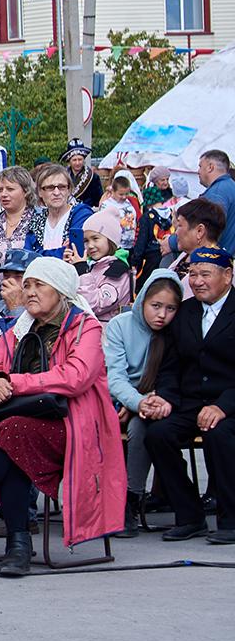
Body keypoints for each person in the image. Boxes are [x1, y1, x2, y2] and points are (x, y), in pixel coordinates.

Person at [0, 256, 127, 576]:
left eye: (38, 285)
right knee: (13, 439)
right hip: (24, 425)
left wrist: (12, 383)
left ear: (60, 291)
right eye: (27, 284)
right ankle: (16, 544)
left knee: (11, 433)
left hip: (74, 425)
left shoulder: (85, 327)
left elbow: (74, 377)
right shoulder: (20, 328)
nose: (29, 292)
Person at [142, 246, 235, 543]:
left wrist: (222, 406)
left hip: (228, 405)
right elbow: (171, 366)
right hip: (190, 402)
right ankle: (189, 514)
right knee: (157, 434)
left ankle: (230, 518)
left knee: (219, 434)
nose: (197, 281)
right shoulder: (187, 312)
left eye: (205, 274)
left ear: (227, 275)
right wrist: (165, 398)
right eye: (192, 274)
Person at [103, 269, 183, 536]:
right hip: (118, 399)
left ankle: (131, 499)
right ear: (142, 301)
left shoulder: (176, 332)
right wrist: (136, 401)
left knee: (141, 427)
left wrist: (147, 402)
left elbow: (176, 375)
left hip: (155, 403)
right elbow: (115, 377)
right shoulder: (120, 326)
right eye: (156, 306)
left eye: (171, 308)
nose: (162, 315)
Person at [0, 166, 39, 283]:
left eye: (10, 189)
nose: (3, 194)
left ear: (26, 191)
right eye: (0, 190)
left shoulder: (40, 220)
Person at [128, 167, 185, 281]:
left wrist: (135, 261)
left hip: (150, 258)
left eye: (167, 179)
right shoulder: (172, 214)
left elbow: (142, 240)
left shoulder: (147, 217)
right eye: (162, 180)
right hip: (170, 255)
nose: (165, 182)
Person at [29, 162, 93, 260]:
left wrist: (40, 254)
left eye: (62, 187)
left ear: (69, 190)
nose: (56, 192)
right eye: (50, 188)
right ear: (40, 192)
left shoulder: (81, 214)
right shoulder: (36, 220)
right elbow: (28, 255)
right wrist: (60, 252)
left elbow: (76, 251)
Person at [77, 210, 133, 321]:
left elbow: (94, 305)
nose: (90, 245)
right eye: (86, 241)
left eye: (95, 238)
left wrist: (82, 271)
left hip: (107, 333)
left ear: (110, 239)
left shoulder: (117, 270)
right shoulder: (92, 265)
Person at [164, 198, 225, 276]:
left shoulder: (216, 272)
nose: (176, 232)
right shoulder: (185, 257)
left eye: (180, 225)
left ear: (200, 231)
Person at [195, 150, 235, 250]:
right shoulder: (230, 186)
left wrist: (173, 243)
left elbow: (209, 230)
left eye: (200, 166)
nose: (198, 171)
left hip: (216, 259)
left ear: (210, 167)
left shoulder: (217, 193)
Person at [103, 171, 141, 249]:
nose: (124, 197)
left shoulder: (130, 202)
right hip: (116, 246)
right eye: (121, 194)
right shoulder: (107, 205)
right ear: (113, 191)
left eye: (126, 194)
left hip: (131, 244)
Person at [61, 141, 103, 208]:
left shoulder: (93, 177)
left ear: (84, 160)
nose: (77, 163)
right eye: (74, 160)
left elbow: (98, 199)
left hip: (86, 210)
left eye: (80, 159)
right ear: (69, 161)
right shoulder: (62, 175)